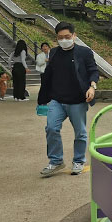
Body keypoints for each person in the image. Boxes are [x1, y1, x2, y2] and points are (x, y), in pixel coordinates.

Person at [37, 22, 99, 177]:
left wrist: (92, 87)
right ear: (56, 38)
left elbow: (93, 71)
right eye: (60, 37)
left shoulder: (84, 52)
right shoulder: (54, 53)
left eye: (67, 37)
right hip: (57, 100)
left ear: (74, 36)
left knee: (80, 132)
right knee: (51, 128)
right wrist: (44, 97)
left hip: (77, 100)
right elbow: (50, 75)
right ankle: (56, 161)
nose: (64, 40)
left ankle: (78, 161)